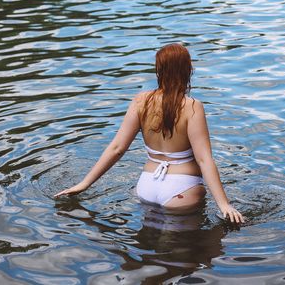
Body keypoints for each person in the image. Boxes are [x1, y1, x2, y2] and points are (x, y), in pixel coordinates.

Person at [54, 43, 244, 223]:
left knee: (149, 243)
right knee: (183, 253)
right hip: (182, 189)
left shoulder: (140, 101)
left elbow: (117, 148)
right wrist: (224, 204)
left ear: (159, 70)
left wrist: (84, 184)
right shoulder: (193, 107)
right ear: (188, 70)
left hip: (146, 185)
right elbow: (204, 159)